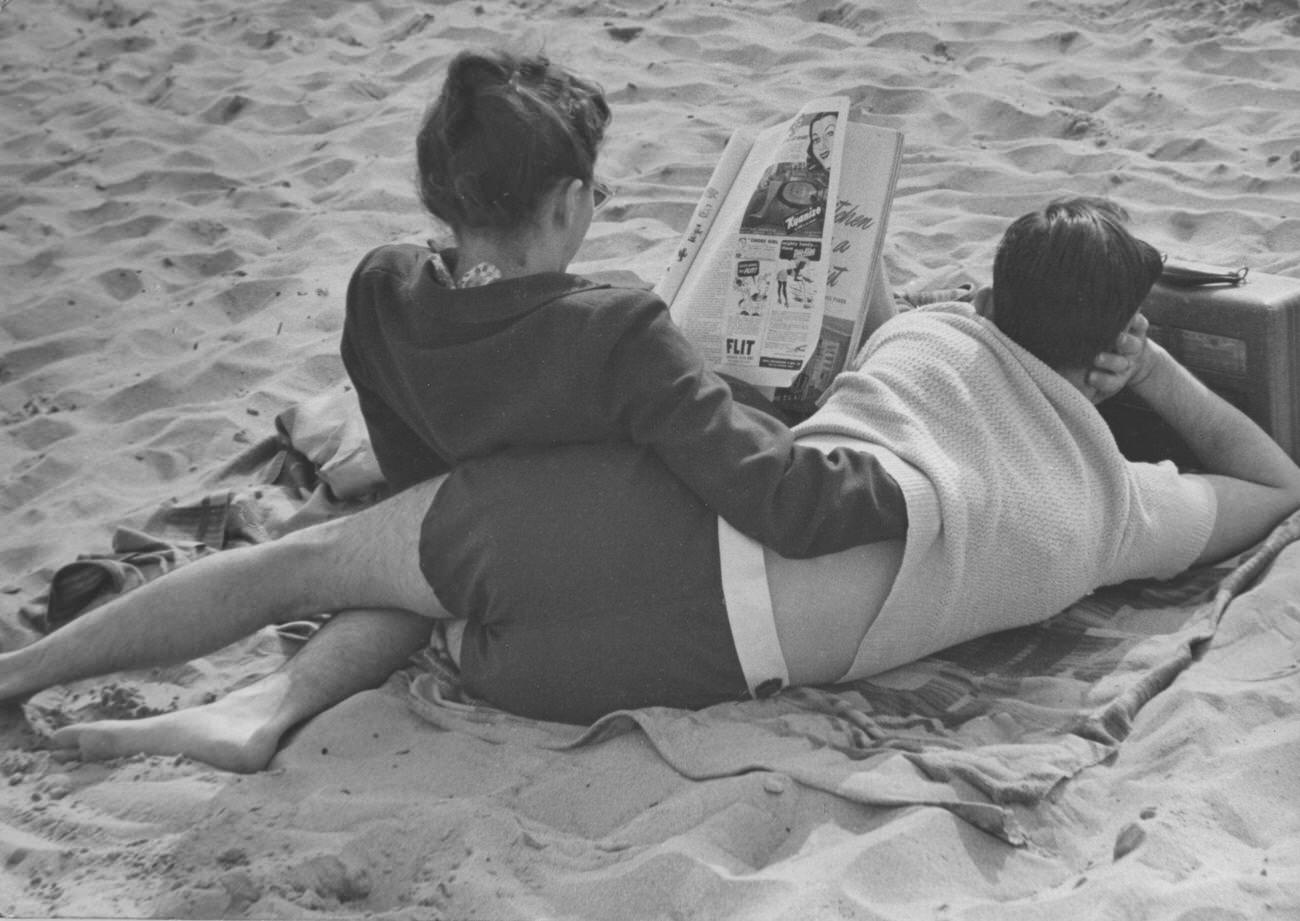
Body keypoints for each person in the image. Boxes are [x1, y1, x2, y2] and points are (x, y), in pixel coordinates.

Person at [5, 197, 1294, 772]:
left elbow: (865, 325)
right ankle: (266, 711)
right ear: (1110, 346)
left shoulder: (927, 341)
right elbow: (1274, 482)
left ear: (996, 298)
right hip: (643, 669)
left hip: (650, 536)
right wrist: (1159, 382)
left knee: (326, 558)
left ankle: (45, 684)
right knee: (445, 603)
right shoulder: (1121, 516)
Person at [338, 48, 910, 561]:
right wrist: (911, 485)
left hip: (469, 542)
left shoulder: (380, 290)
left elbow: (410, 474)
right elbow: (781, 502)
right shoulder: (612, 332)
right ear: (568, 203)